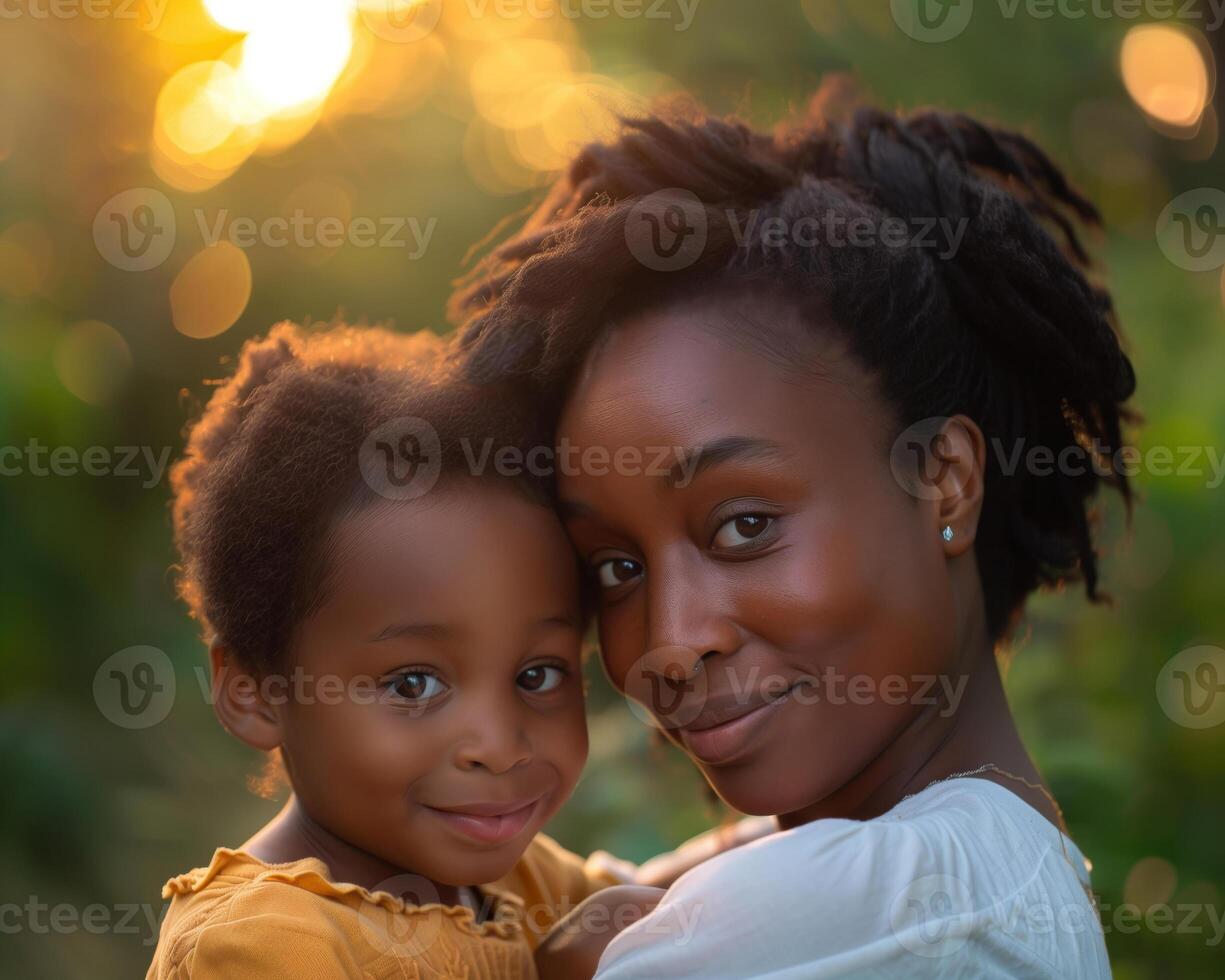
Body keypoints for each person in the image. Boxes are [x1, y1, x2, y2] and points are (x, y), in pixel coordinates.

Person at [452, 80, 1133, 977]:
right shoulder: (979, 881)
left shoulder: (909, 910)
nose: (668, 642)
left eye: (742, 526)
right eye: (614, 567)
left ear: (944, 482)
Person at [146, 322, 755, 979]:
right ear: (255, 691)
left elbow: (649, 895)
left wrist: (843, 829)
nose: (497, 745)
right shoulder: (263, 942)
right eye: (413, 684)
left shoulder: (516, 881)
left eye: (537, 673)